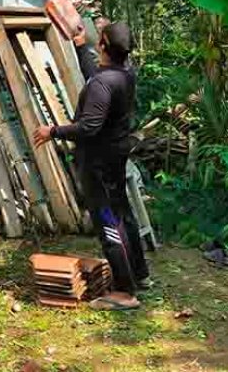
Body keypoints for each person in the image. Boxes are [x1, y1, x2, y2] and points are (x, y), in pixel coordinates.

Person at [32, 22, 151, 309]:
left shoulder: (102, 83)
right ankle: (139, 274)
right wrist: (80, 46)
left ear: (104, 47)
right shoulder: (124, 74)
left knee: (109, 223)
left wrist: (53, 131)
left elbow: (89, 126)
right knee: (124, 215)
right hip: (114, 156)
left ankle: (124, 292)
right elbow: (96, 76)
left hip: (98, 162)